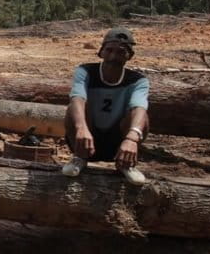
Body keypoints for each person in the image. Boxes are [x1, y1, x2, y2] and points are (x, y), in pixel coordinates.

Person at [62, 27, 150, 185]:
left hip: (118, 142)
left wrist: (132, 138)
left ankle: (125, 164)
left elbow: (139, 107)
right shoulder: (85, 71)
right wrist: (81, 128)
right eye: (109, 50)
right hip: (87, 138)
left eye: (121, 52)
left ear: (129, 56)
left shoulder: (138, 81)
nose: (113, 56)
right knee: (73, 109)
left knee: (142, 118)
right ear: (101, 52)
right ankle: (80, 158)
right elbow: (77, 96)